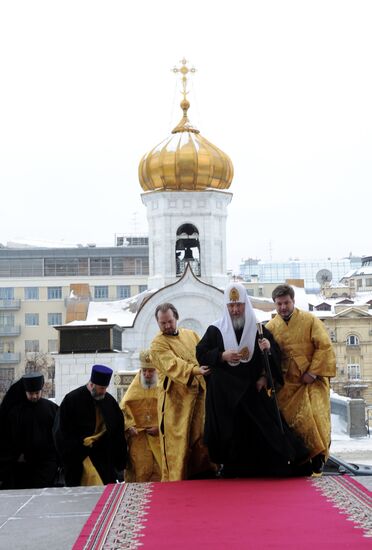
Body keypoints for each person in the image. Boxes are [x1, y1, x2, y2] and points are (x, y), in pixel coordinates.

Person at [196, 283, 309, 478]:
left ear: (245, 305)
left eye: (238, 305)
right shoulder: (216, 329)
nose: (235, 310)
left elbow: (275, 356)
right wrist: (222, 356)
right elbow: (201, 353)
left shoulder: (258, 329)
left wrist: (266, 368)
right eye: (231, 306)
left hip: (251, 389)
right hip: (226, 395)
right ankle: (231, 468)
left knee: (266, 429)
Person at [266, 284, 336, 474]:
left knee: (314, 415)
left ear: (293, 301)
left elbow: (324, 346)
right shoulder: (270, 327)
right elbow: (269, 356)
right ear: (275, 304)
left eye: (286, 303)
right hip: (286, 384)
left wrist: (312, 373)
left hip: (310, 380)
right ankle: (299, 460)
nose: (283, 307)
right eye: (279, 304)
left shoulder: (310, 320)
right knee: (292, 422)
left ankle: (319, 457)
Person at [150, 302, 214, 481]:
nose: (167, 326)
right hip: (174, 401)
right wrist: (195, 370)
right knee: (177, 441)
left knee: (199, 435)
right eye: (162, 323)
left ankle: (202, 475)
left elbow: (203, 352)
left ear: (176, 318)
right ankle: (176, 480)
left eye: (170, 321)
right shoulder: (157, 343)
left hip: (199, 394)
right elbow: (172, 364)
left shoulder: (191, 335)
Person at [53, 364, 126, 486]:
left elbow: (117, 429)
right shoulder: (72, 399)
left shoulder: (108, 400)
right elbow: (61, 432)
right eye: (101, 388)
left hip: (103, 457)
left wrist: (120, 462)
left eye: (105, 388)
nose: (104, 391)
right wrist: (76, 449)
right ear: (92, 385)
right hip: (79, 456)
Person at [0, 372, 59, 489]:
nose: (34, 396)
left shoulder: (51, 408)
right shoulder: (15, 412)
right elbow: (10, 438)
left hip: (46, 464)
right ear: (25, 392)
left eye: (37, 393)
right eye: (31, 393)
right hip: (24, 465)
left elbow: (58, 434)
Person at [120, 350, 161, 482]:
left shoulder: (163, 387)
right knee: (140, 471)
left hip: (159, 438)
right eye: (144, 371)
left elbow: (172, 412)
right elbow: (123, 409)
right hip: (139, 438)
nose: (147, 374)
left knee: (160, 471)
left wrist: (160, 427)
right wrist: (129, 426)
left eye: (150, 371)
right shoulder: (135, 387)